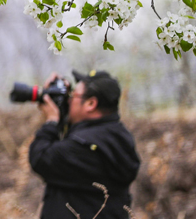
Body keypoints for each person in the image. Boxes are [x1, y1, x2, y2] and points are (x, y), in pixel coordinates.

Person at [29, 69, 140, 218]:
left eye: (73, 96)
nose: (69, 100)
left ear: (91, 103)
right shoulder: (116, 137)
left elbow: (40, 157)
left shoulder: (84, 146)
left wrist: (51, 122)